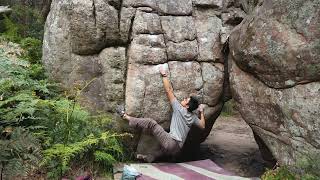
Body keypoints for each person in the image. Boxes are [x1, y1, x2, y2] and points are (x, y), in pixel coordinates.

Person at [116, 66, 206, 162]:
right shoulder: (193, 117)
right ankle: (146, 158)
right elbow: (203, 126)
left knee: (151, 123)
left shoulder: (178, 108)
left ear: (187, 106)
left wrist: (164, 75)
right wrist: (201, 112)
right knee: (162, 150)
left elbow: (169, 91)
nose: (183, 99)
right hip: (178, 149)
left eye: (186, 100)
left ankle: (125, 116)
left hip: (171, 143)